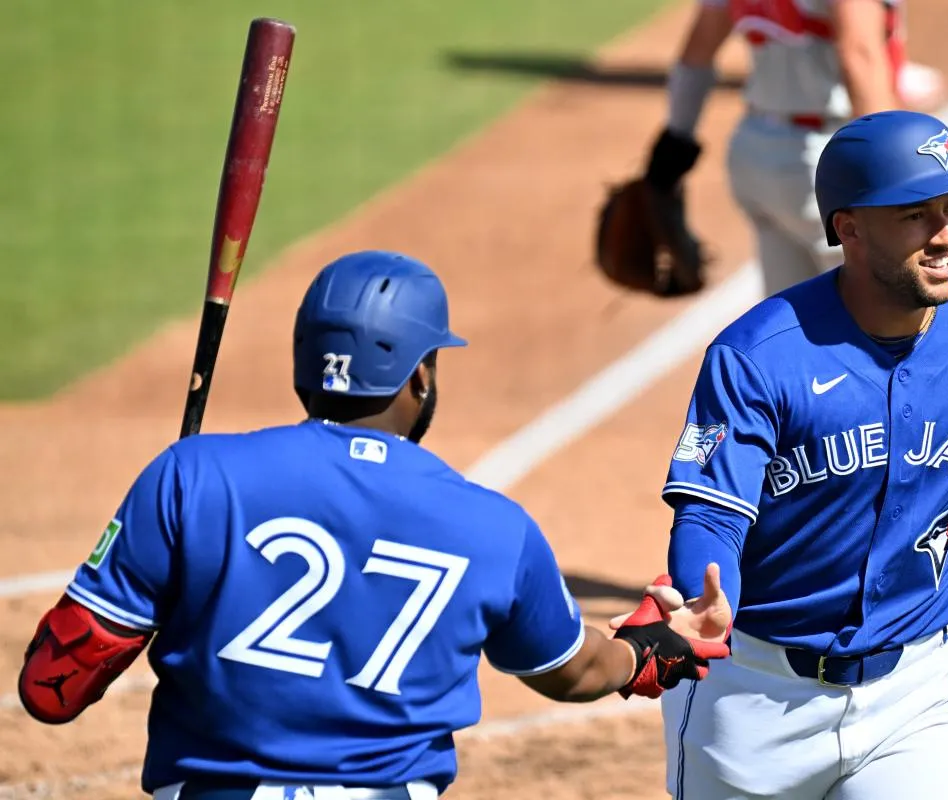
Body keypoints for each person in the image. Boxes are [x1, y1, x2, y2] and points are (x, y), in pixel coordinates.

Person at [17, 250, 732, 799]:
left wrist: (152, 604)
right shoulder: (492, 526)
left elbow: (53, 689)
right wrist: (646, 653)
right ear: (419, 376)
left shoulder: (192, 476)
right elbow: (573, 671)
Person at [655, 110, 948, 799]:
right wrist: (704, 597)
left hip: (914, 698)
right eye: (914, 215)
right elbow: (710, 514)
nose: (946, 233)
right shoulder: (759, 357)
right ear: (848, 227)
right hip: (753, 698)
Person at [641, 0, 944, 298]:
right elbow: (860, 57)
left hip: (757, 153)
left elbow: (697, 53)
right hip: (826, 163)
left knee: (795, 326)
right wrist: (895, 176)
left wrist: (670, 153)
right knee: (889, 314)